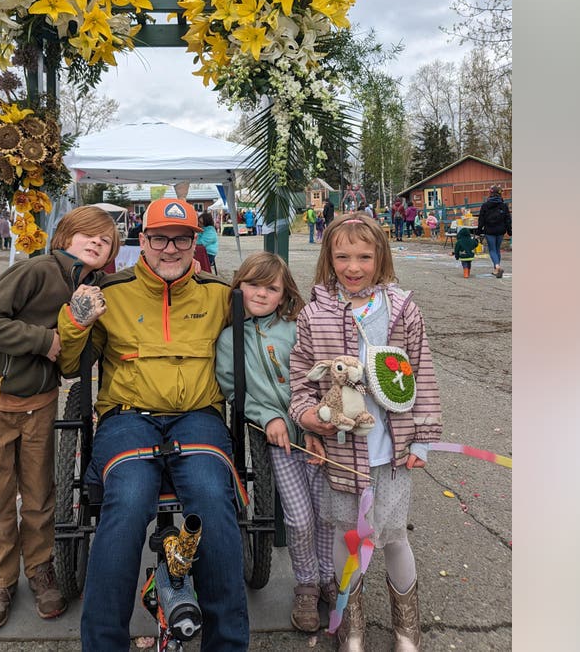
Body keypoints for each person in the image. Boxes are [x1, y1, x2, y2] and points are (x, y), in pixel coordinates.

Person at [58, 197, 247, 651]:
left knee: (210, 499)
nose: (170, 248)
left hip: (198, 418)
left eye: (181, 239)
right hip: (128, 420)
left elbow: (267, 330)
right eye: (159, 238)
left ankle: (227, 645)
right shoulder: (112, 293)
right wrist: (75, 320)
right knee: (126, 501)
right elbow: (70, 365)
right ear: (141, 241)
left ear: (194, 243)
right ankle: (104, 644)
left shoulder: (220, 296)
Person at [288, 213, 442, 652]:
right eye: (342, 256)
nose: (353, 267)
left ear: (380, 257)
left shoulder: (402, 309)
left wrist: (422, 439)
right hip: (342, 448)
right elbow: (299, 377)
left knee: (392, 536)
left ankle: (406, 628)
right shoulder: (314, 314)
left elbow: (422, 373)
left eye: (363, 256)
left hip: (390, 447)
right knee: (346, 534)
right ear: (328, 258)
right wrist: (307, 416)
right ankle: (350, 626)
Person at [0, 206, 121, 630]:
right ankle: (0, 580)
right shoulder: (35, 271)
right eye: (87, 234)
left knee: (39, 494)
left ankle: (40, 569)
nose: (96, 243)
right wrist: (44, 340)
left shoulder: (96, 288)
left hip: (40, 403)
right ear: (65, 236)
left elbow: (72, 359)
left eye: (105, 240)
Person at [213, 252, 336, 633]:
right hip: (280, 440)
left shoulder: (299, 328)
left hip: (320, 435)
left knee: (326, 513)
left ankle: (330, 579)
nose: (262, 294)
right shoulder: (231, 338)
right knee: (298, 519)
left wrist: (320, 419)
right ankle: (306, 585)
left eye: (272, 288)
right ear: (238, 287)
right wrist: (268, 416)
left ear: (285, 295)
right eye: (253, 284)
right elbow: (234, 391)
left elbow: (323, 377)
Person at [474, 185, 512, 278]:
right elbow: (508, 219)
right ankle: (496, 270)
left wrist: (479, 231)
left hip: (489, 230)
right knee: (497, 249)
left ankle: (497, 266)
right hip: (501, 230)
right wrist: (509, 231)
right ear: (500, 194)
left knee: (492, 250)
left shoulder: (485, 205)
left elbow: (481, 219)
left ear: (490, 193)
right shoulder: (503, 205)